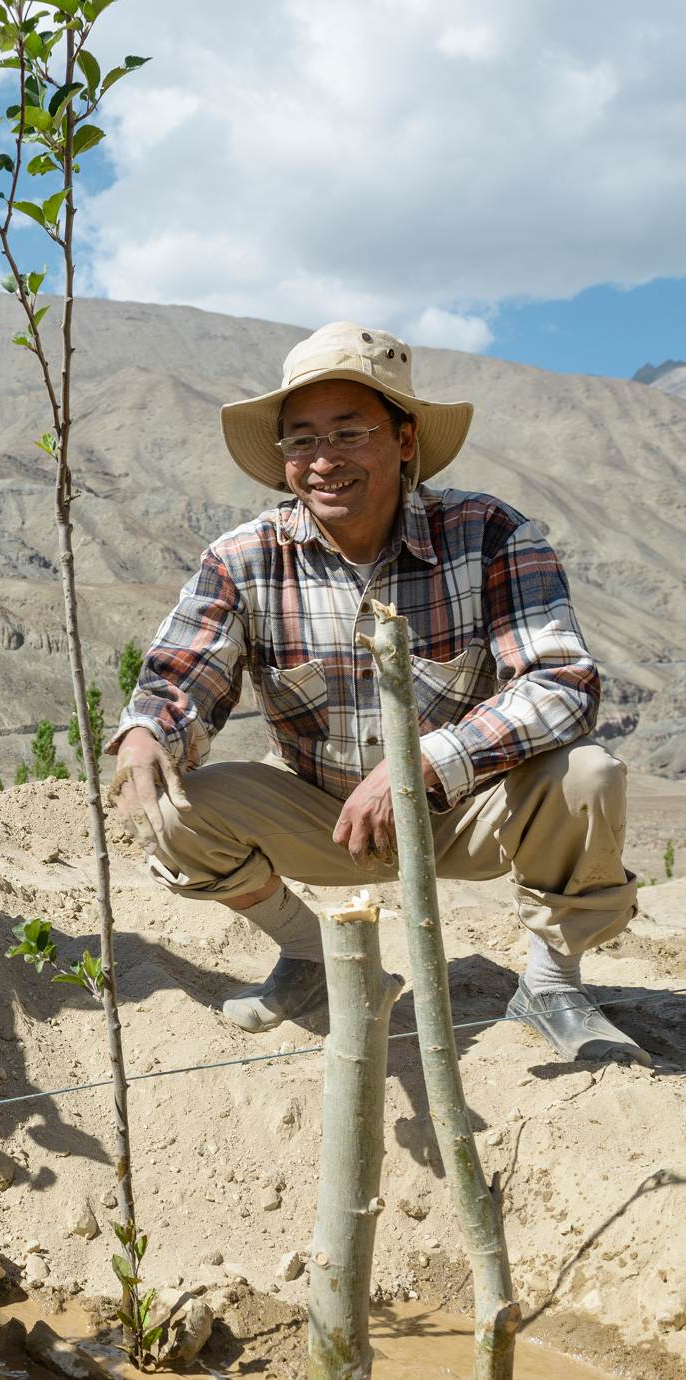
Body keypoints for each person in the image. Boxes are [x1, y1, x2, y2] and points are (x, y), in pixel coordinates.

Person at [108, 322, 647, 1068]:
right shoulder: (243, 558)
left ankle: (552, 985)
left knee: (588, 774)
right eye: (300, 441)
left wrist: (422, 764)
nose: (321, 461)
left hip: (462, 810)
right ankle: (309, 958)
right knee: (167, 794)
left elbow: (562, 684)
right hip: (324, 818)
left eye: (347, 433)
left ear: (403, 440)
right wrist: (149, 732)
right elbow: (181, 675)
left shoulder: (489, 535)